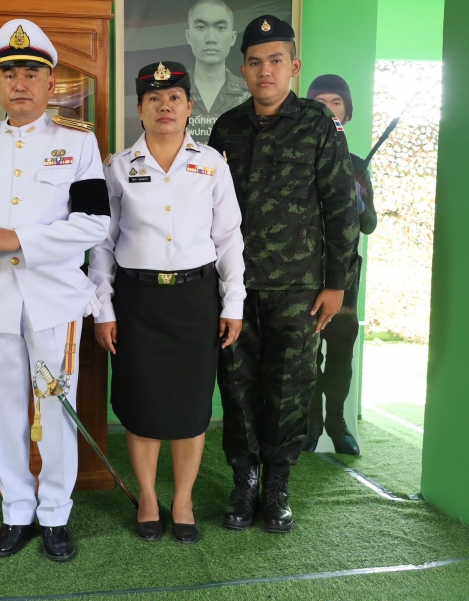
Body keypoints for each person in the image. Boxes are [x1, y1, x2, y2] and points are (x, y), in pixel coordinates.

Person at [0, 18, 110, 562]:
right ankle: (16, 511)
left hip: (54, 297)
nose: (20, 83)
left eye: (32, 73)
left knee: (55, 405)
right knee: (5, 407)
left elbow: (94, 224)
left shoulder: (78, 142)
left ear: (50, 82)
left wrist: (20, 238)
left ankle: (55, 514)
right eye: (10, 74)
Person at [208, 15, 359, 533]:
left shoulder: (318, 124)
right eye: (255, 62)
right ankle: (244, 479)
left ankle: (276, 484)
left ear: (294, 66)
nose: (265, 71)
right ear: (243, 70)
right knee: (237, 384)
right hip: (235, 286)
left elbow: (342, 206)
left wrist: (337, 284)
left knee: (290, 386)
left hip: (299, 289)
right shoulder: (227, 127)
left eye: (275, 61)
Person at [89, 61, 245, 544]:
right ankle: (148, 498)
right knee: (142, 405)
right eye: (154, 99)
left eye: (174, 97)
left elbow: (229, 238)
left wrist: (233, 303)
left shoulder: (212, 164)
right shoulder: (118, 167)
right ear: (139, 109)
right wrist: (104, 309)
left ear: (189, 106)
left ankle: (182, 500)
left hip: (196, 300)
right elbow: (102, 244)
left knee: (191, 408)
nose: (165, 106)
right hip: (137, 301)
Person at [304, 74, 377, 455]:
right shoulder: (299, 160)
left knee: (341, 354)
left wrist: (359, 201)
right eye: (320, 102)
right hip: (303, 275)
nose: (329, 109)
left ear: (347, 112)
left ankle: (336, 422)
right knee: (307, 354)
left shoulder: (358, 165)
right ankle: (310, 424)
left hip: (345, 279)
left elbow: (369, 224)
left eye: (336, 102)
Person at [185, 0, 250, 143]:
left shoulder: (250, 95)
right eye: (201, 27)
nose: (210, 39)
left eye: (220, 28)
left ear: (233, 38)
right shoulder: (172, 94)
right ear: (188, 36)